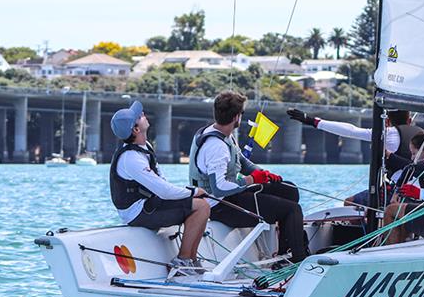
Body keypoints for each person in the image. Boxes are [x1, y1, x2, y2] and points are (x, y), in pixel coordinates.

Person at [190, 91, 308, 263]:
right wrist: (252, 180)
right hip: (220, 205)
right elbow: (219, 187)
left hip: (231, 195)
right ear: (237, 117)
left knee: (289, 190)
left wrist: (263, 173)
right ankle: (299, 261)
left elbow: (241, 161)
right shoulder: (216, 147)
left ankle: (284, 252)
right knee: (292, 209)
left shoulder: (220, 132)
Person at [109, 101, 210, 275]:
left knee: (199, 203)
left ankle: (191, 260)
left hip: (149, 204)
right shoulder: (131, 158)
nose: (143, 115)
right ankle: (182, 261)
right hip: (137, 213)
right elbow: (164, 191)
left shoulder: (145, 147)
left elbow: (161, 181)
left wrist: (187, 195)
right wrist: (194, 192)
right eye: (139, 116)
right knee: (202, 207)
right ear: (136, 129)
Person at [286, 108, 423, 206]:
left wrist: (313, 121)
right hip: (422, 189)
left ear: (387, 121)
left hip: (397, 191)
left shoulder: (388, 133)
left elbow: (351, 131)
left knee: (349, 202)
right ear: (410, 120)